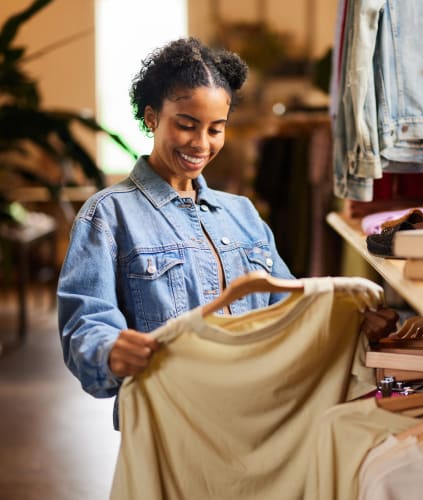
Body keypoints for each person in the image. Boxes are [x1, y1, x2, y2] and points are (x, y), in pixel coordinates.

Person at [57, 37, 396, 427]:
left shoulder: (242, 214)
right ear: (151, 118)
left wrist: (351, 324)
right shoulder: (107, 215)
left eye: (216, 129)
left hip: (256, 419)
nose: (201, 144)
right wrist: (111, 351)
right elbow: (85, 325)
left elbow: (291, 309)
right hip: (168, 425)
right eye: (186, 125)